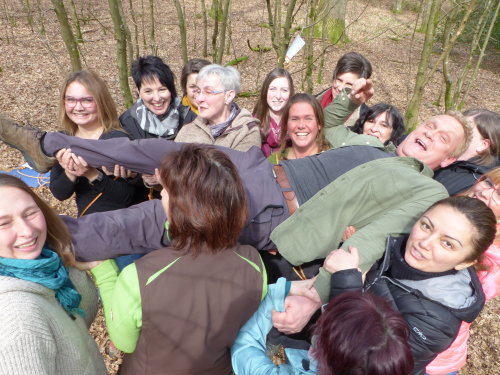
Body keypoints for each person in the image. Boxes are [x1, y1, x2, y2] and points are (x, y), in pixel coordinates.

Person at [0, 89, 470, 299]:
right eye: (430, 122)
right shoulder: (372, 144)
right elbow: (326, 119)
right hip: (257, 168)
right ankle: (49, 144)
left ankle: (38, 238)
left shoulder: (425, 190)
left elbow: (368, 243)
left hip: (269, 212)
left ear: (449, 159)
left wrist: (315, 292)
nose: (429, 131)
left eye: (443, 136)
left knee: (150, 223)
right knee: (155, 150)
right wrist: (346, 95)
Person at [82, 145, 266, 374]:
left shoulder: (139, 276)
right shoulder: (254, 263)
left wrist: (105, 272)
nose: (161, 195)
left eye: (166, 190)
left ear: (184, 206)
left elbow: (124, 341)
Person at [322, 196, 495, 374]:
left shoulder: (437, 324)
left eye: (447, 244)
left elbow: (364, 364)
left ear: (465, 262)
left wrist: (346, 281)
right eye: (426, 226)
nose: (424, 243)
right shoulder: (395, 245)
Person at [0, 174, 106, 374]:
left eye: (30, 213)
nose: (27, 230)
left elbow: (79, 320)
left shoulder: (46, 266)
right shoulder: (17, 319)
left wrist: (71, 268)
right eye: (3, 223)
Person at [232, 286, 413, 375]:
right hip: (288, 356)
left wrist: (279, 292)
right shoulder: (378, 365)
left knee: (271, 349)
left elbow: (244, 348)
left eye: (320, 331)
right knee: (274, 349)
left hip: (287, 362)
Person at [426, 168, 500, 375]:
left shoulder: (492, 259)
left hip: (432, 358)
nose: (485, 192)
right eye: (487, 183)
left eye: (499, 195)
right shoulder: (451, 207)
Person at [48, 70, 136, 216]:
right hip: (87, 226)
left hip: (121, 227)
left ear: (101, 102)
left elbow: (125, 198)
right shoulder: (62, 139)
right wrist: (70, 172)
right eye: (71, 100)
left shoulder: (117, 139)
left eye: (87, 100)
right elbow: (59, 193)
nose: (78, 107)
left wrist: (92, 174)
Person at [174, 64, 261, 151]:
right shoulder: (188, 129)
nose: (199, 99)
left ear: (229, 96)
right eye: (198, 91)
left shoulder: (247, 131)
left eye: (208, 92)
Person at [119, 55, 191, 140]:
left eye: (162, 90)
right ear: (139, 92)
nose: (157, 98)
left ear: (171, 89)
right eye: (148, 91)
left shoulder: (189, 119)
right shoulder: (127, 123)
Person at [433, 109, 500, 195]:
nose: (457, 132)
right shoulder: (441, 154)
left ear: (483, 145)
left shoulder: (473, 184)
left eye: (466, 131)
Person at [268, 94, 331, 164]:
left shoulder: (331, 159)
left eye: (308, 119)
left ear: (319, 124)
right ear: (286, 125)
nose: (301, 125)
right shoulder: (274, 161)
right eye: (294, 119)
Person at [317, 52, 373, 127]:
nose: (340, 88)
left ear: (360, 87)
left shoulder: (363, 122)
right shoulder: (313, 101)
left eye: (349, 84)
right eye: (339, 80)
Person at [253, 68, 295, 157]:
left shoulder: (297, 125)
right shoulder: (252, 125)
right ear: (265, 91)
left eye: (284, 90)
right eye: (273, 89)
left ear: (290, 94)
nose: (278, 96)